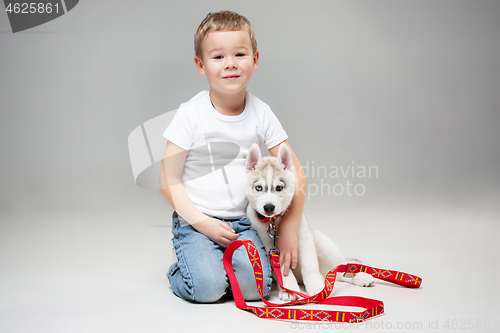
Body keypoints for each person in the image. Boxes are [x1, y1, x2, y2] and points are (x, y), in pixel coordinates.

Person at [160, 10, 306, 303]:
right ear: (201, 65)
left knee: (257, 290)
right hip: (196, 222)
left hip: (244, 222)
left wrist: (288, 228)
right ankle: (184, 269)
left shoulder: (261, 112)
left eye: (239, 54)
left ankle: (216, 267)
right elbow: (168, 178)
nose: (230, 64)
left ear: (255, 59)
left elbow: (296, 175)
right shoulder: (190, 113)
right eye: (218, 57)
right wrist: (201, 223)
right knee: (207, 289)